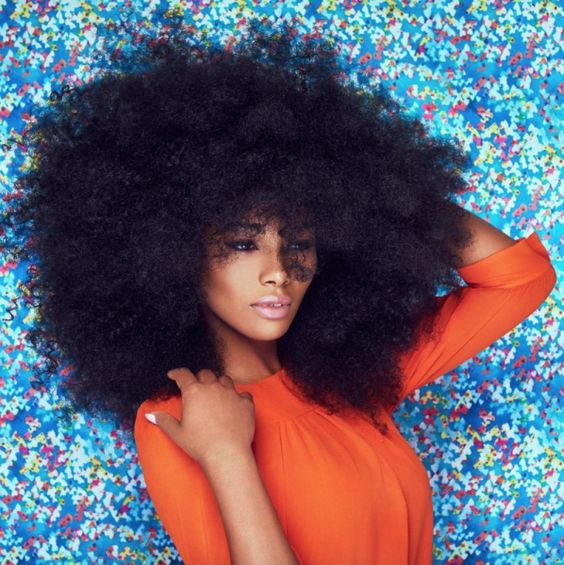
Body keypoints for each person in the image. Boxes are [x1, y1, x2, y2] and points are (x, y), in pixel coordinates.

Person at [2, 17, 556, 565]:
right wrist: (226, 454)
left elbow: (520, 278)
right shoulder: (179, 418)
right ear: (172, 252)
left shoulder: (352, 380)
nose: (279, 271)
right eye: (244, 244)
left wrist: (382, 187)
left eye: (299, 242)